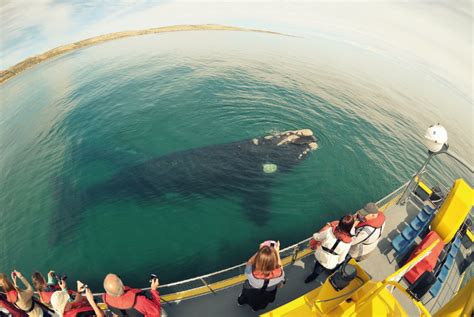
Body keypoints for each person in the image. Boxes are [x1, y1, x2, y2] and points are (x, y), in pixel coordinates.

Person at [305, 215, 355, 283]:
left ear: (340, 223)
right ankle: (318, 273)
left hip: (320, 255)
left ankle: (310, 279)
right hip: (330, 262)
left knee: (317, 268)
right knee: (321, 269)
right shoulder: (348, 242)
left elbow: (317, 237)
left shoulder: (330, 231)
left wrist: (315, 235)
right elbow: (341, 259)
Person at [237, 240, 285, 311]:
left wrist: (261, 251)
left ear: (259, 259)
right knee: (260, 304)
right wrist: (276, 252)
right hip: (268, 292)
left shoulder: (251, 274)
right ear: (274, 260)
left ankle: (240, 303)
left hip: (251, 290)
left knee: (244, 297)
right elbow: (280, 267)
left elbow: (250, 262)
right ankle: (255, 309)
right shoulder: (280, 274)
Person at [102, 273, 166, 317]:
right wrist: (154, 290)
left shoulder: (105, 298)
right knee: (162, 313)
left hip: (126, 314)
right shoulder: (139, 301)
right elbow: (156, 313)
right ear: (123, 287)